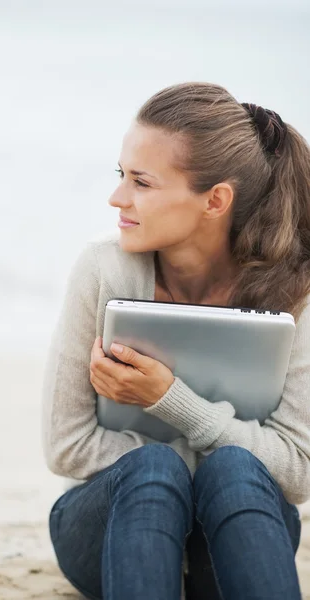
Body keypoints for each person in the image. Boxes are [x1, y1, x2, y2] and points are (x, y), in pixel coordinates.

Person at [40, 82, 310, 600]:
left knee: (234, 471)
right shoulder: (103, 271)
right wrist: (179, 472)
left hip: (230, 534)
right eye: (122, 175)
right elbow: (66, 448)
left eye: (141, 182)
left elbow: (297, 471)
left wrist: (170, 402)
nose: (117, 197)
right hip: (108, 529)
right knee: (155, 469)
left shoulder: (294, 290)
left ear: (215, 200)